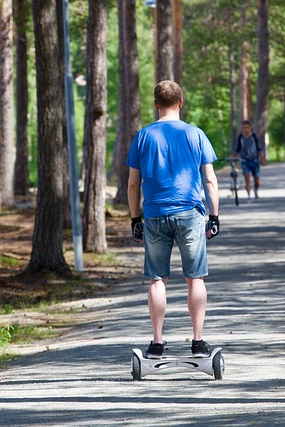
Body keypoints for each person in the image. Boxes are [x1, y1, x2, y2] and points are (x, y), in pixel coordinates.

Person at [126, 80, 220, 360]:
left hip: (154, 214)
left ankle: (156, 342)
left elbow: (133, 184)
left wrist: (135, 219)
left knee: (157, 279)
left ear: (156, 104)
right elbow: (211, 179)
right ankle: (198, 341)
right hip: (190, 213)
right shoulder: (196, 134)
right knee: (195, 278)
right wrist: (214, 215)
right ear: (181, 102)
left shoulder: (143, 137)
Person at [232, 120, 265, 199]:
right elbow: (236, 149)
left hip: (254, 160)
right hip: (244, 161)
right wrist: (233, 156)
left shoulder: (254, 137)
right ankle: (249, 195)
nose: (245, 129)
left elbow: (259, 148)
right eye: (244, 128)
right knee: (247, 177)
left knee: (256, 178)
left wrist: (262, 157)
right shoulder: (240, 138)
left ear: (250, 128)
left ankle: (256, 190)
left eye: (247, 128)